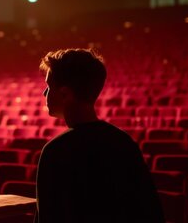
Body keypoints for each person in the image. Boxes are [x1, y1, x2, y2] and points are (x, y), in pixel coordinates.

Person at [35, 48, 164, 223]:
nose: (44, 93)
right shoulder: (123, 142)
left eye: (48, 86)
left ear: (65, 94)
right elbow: (150, 211)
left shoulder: (55, 151)